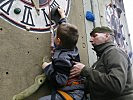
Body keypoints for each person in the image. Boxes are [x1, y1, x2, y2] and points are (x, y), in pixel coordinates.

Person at [70, 26, 133, 100]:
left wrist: (85, 70)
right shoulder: (103, 57)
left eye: (94, 36)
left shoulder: (114, 52)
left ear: (106, 36)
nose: (91, 40)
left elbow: (115, 85)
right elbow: (99, 84)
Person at [39, 7, 86, 100]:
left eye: (56, 35)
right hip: (76, 89)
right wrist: (62, 17)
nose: (55, 36)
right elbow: (66, 31)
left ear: (58, 40)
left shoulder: (62, 59)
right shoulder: (71, 46)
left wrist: (47, 67)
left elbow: (60, 81)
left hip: (71, 94)